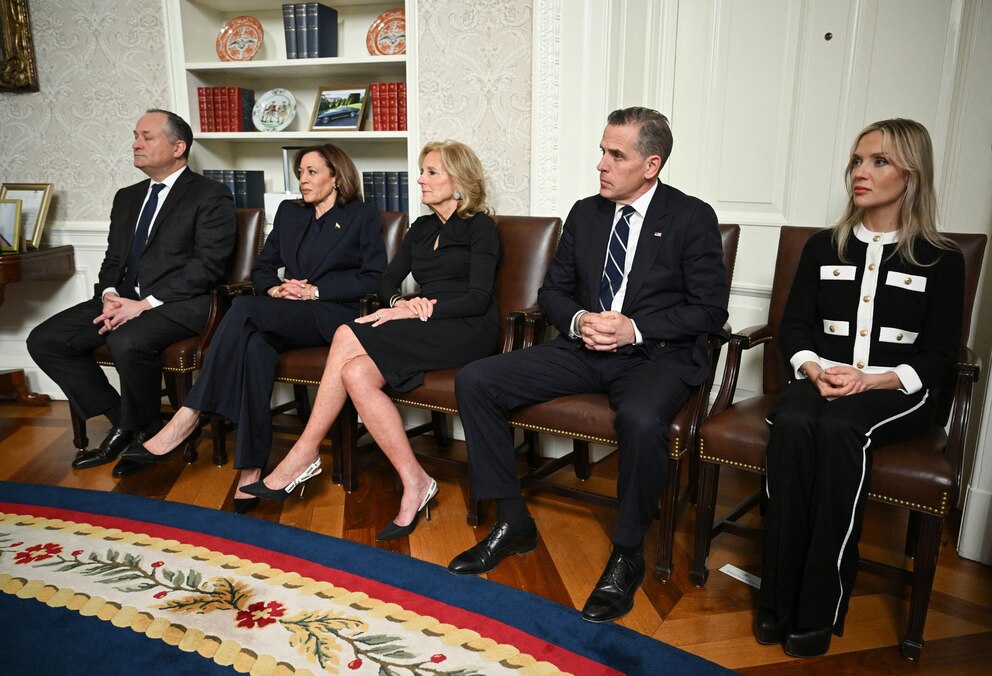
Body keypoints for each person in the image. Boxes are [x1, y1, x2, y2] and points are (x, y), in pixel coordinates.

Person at [448, 107, 728, 623]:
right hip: (583, 348)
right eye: (602, 150)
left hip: (653, 358)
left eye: (615, 155)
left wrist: (633, 328)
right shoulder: (586, 213)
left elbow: (710, 311)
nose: (601, 163)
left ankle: (626, 555)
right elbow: (550, 292)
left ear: (651, 164)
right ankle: (513, 522)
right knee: (478, 379)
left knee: (643, 421)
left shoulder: (691, 217)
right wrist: (578, 321)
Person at [754, 119, 964, 658]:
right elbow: (795, 327)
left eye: (878, 162)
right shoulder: (825, 246)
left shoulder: (942, 259)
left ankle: (819, 609)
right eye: (856, 161)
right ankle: (775, 602)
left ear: (911, 175)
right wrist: (814, 369)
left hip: (896, 392)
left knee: (845, 429)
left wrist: (872, 379)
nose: (860, 173)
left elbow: (942, 355)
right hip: (823, 378)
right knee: (794, 421)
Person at [243, 141, 500, 540]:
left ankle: (304, 452)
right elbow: (384, 281)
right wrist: (400, 302)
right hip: (425, 322)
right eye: (423, 170)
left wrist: (415, 309)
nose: (420, 179)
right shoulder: (422, 228)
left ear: (460, 181)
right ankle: (416, 480)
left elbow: (478, 298)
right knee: (357, 374)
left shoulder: (480, 226)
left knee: (347, 332)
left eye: (432, 172)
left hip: (467, 327)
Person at [110, 145, 388, 511]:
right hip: (282, 311)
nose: (302, 180)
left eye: (311, 172)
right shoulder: (290, 213)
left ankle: (189, 414)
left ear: (337, 177)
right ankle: (251, 468)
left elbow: (375, 279)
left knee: (243, 309)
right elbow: (261, 268)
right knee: (255, 347)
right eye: (300, 172)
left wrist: (313, 291)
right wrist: (275, 288)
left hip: (333, 317)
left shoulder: (362, 216)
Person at [27, 109, 236, 469]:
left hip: (180, 303)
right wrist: (109, 294)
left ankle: (139, 432)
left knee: (129, 339)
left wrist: (144, 305)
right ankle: (131, 423)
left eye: (147, 136)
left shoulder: (210, 195)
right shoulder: (127, 197)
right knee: (45, 339)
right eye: (135, 135)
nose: (135, 144)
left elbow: (207, 266)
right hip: (121, 299)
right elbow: (113, 258)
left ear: (178, 147)